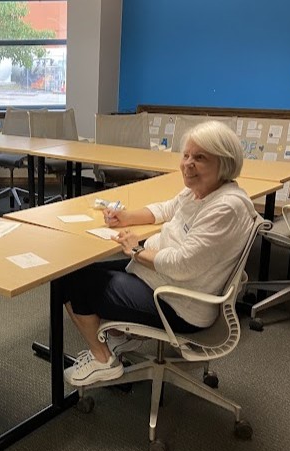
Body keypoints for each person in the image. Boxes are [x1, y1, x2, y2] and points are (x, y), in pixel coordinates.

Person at [61, 121, 257, 387]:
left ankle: (103, 360)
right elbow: (167, 209)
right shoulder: (203, 191)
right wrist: (126, 216)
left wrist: (137, 250)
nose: (188, 164)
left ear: (224, 163)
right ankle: (118, 338)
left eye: (200, 158)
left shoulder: (225, 208)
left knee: (71, 282)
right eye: (186, 155)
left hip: (178, 303)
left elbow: (181, 265)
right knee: (78, 270)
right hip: (163, 281)